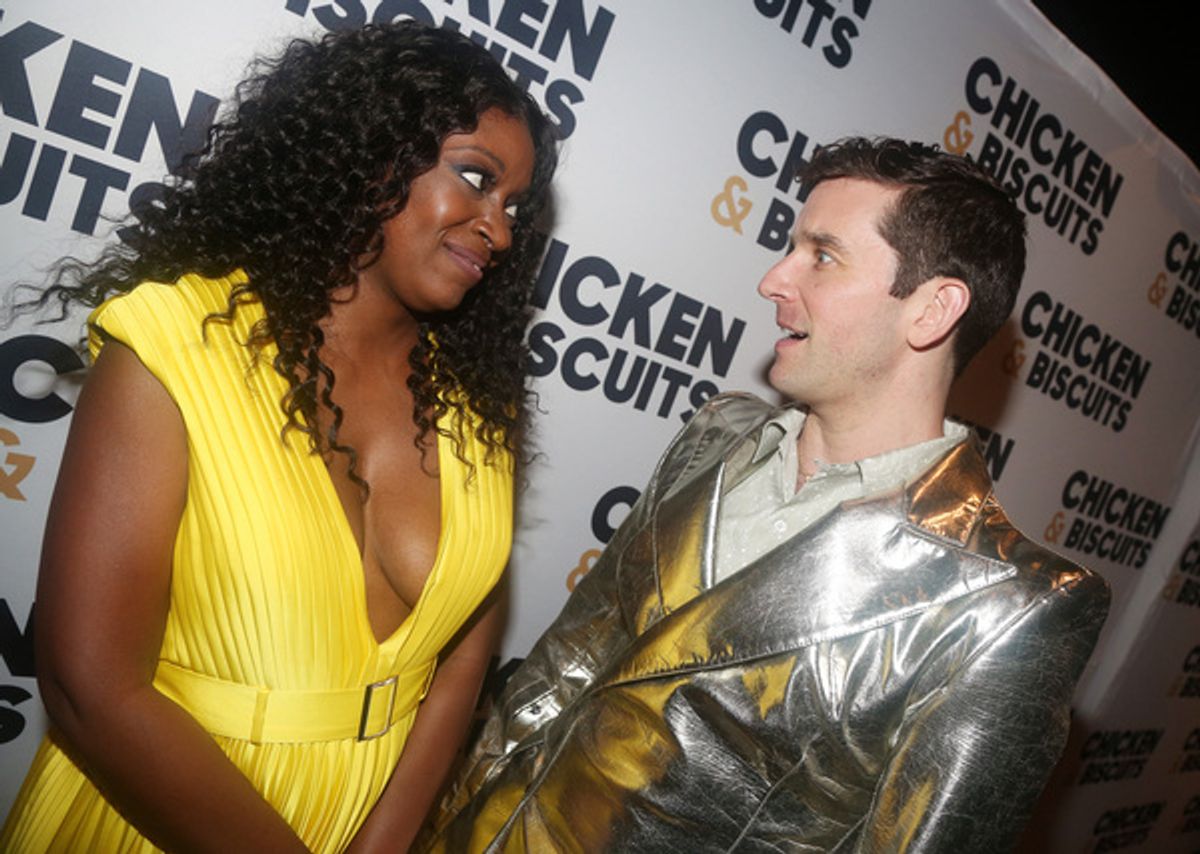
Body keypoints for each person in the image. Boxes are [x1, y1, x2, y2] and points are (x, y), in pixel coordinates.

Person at [420, 137, 1110, 852]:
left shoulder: (1006, 604)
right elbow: (563, 669)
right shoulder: (716, 435)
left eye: (823, 255)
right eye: (790, 247)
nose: (774, 279)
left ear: (932, 311)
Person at [0, 20, 556, 854]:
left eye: (513, 206)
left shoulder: (478, 406)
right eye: (474, 179)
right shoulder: (177, 345)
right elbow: (92, 690)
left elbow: (461, 663)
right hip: (154, 818)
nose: (500, 229)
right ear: (372, 154)